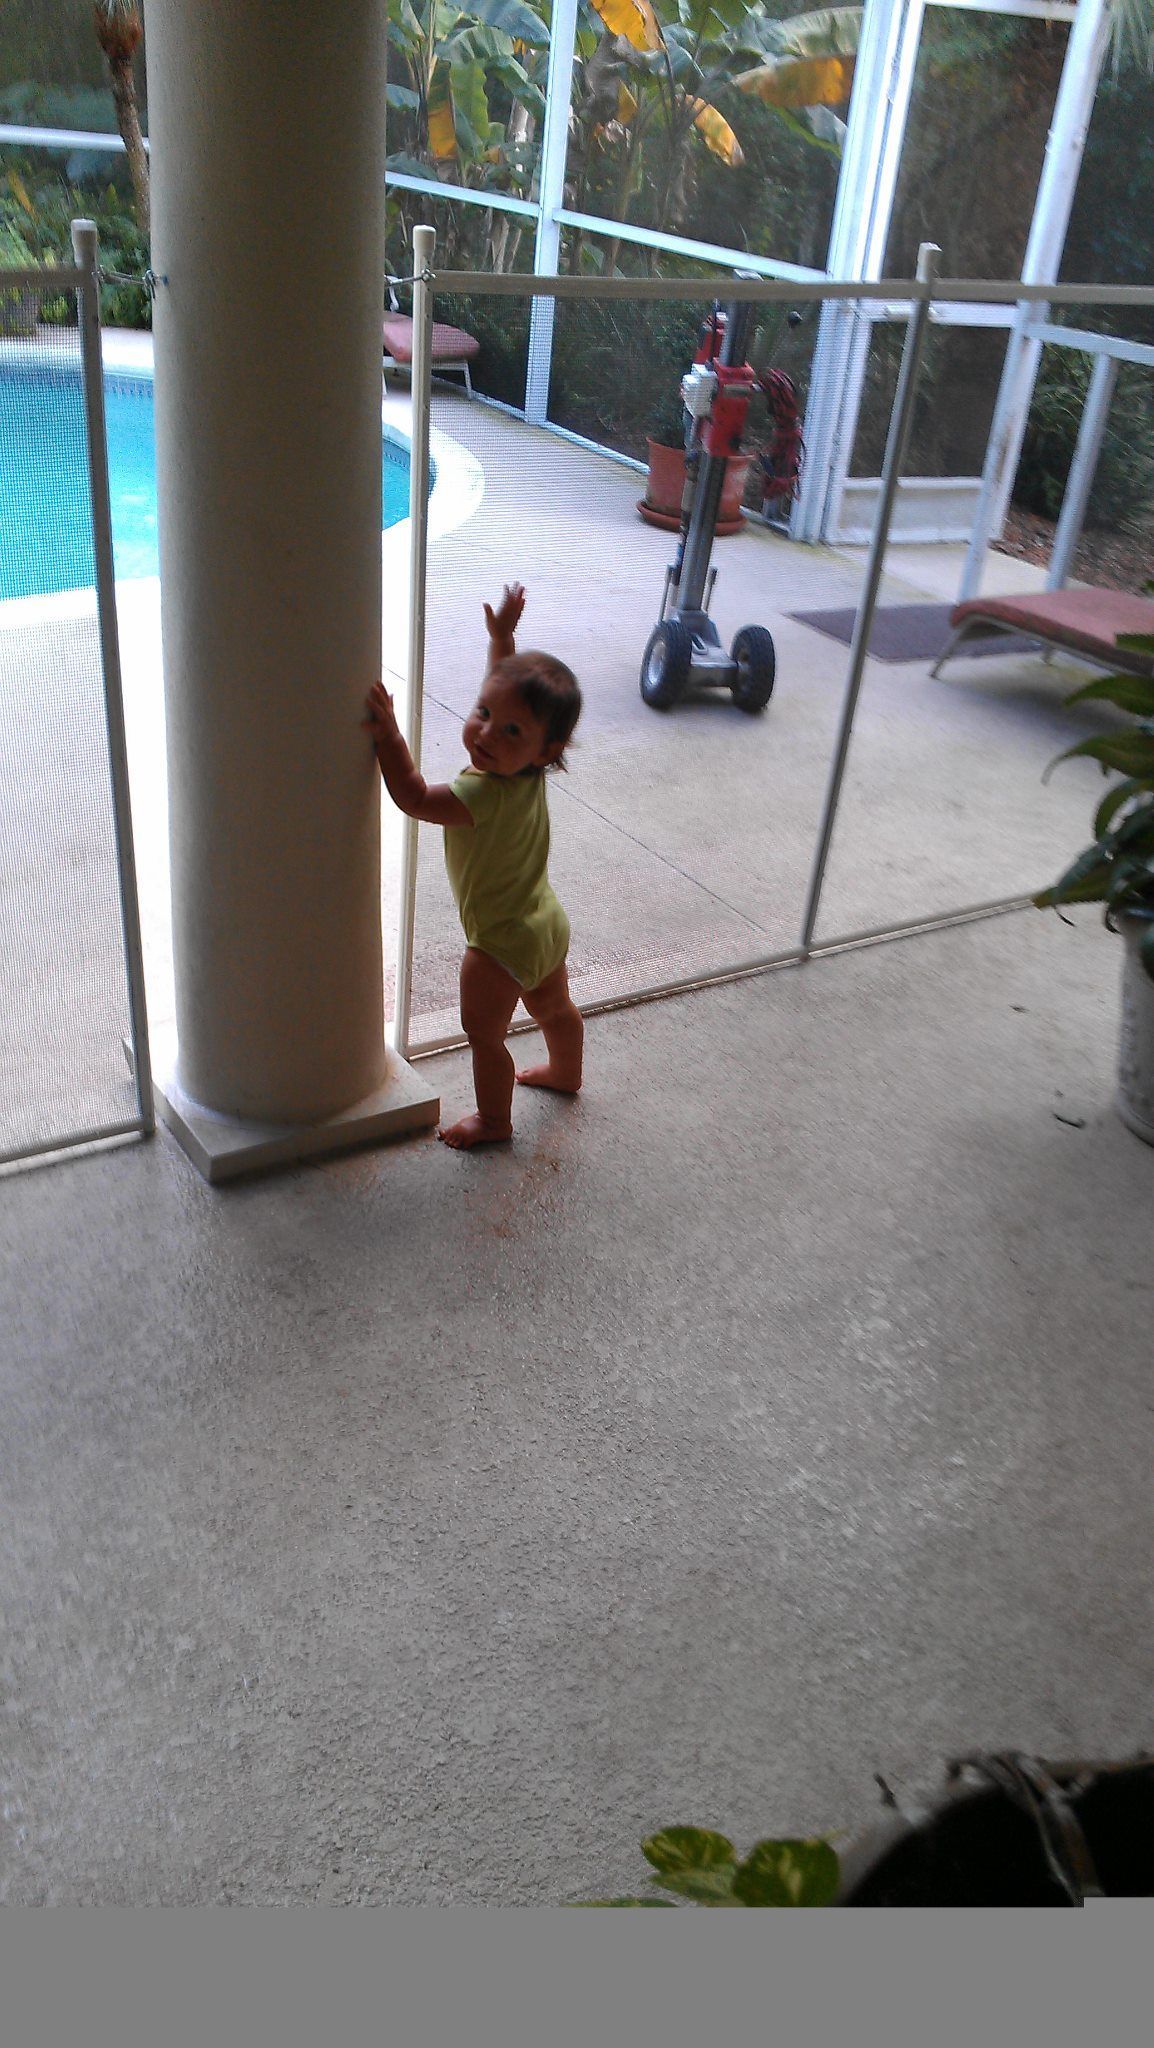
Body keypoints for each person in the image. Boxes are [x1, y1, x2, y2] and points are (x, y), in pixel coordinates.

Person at [364, 583, 584, 1150]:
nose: (487, 732)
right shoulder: (531, 773)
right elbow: (507, 694)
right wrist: (502, 641)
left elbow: (412, 796)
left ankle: (493, 1122)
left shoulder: (478, 793)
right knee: (554, 1009)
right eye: (483, 713)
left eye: (509, 730)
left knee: (484, 1036)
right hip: (545, 923)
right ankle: (566, 1070)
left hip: (498, 945)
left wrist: (389, 734)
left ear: (543, 751)